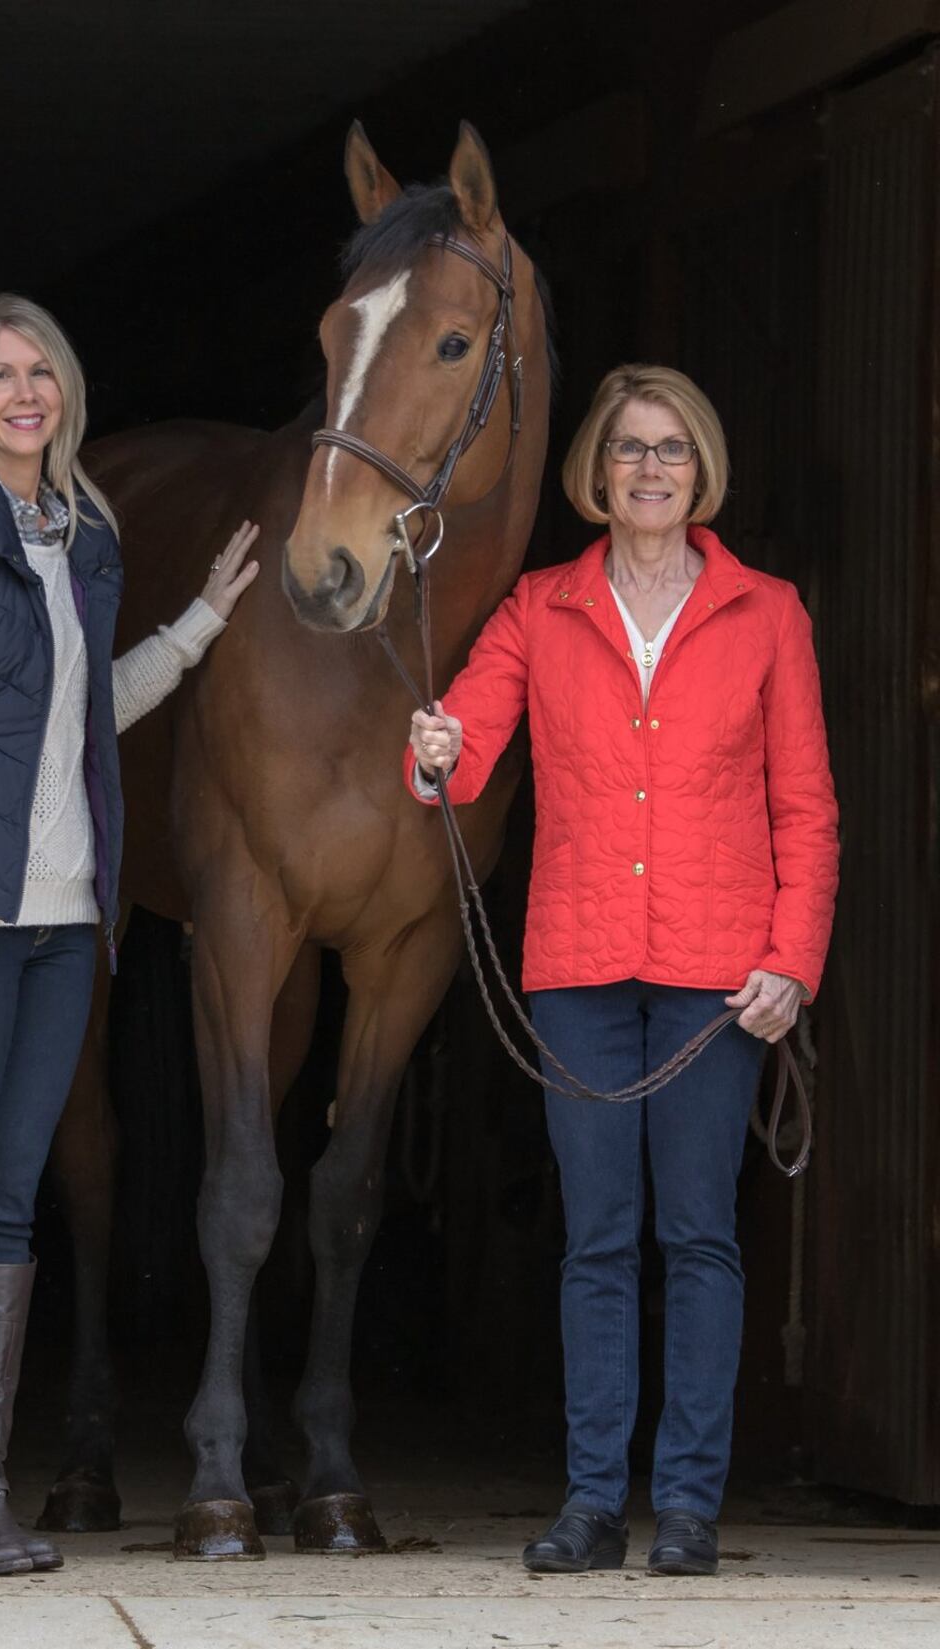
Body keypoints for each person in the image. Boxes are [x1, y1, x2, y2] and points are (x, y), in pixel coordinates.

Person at [0, 293, 258, 1575]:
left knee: (12, 1200)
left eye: (41, 372)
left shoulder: (76, 530)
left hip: (62, 922)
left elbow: (83, 716)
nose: (24, 392)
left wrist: (194, 631)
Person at [408, 364, 838, 1577]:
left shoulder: (767, 614)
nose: (649, 469)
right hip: (582, 964)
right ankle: (593, 1499)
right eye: (628, 450)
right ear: (593, 474)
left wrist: (790, 958)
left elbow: (806, 808)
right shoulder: (538, 609)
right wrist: (436, 746)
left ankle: (689, 1506)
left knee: (697, 1235)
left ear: (700, 472)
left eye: (671, 450)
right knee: (597, 1237)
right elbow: (465, 751)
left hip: (718, 974)